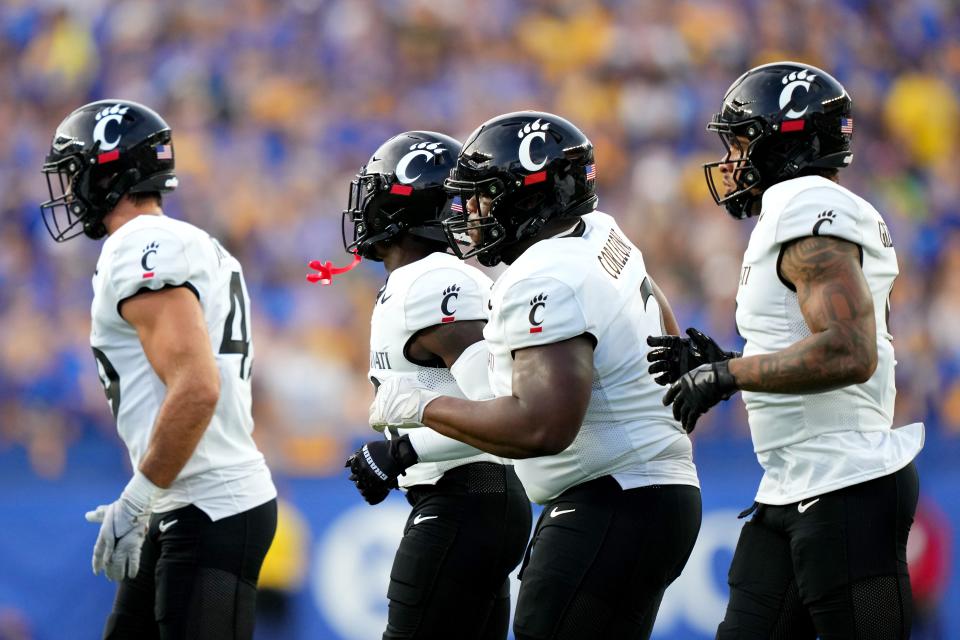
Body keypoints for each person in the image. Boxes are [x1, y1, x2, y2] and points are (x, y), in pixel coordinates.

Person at [369, 112, 702, 640]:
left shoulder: (545, 276)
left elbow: (541, 429)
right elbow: (663, 316)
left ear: (526, 197)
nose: (468, 213)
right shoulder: (597, 232)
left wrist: (421, 408)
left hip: (613, 497)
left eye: (482, 196)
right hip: (643, 490)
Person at [649, 61, 924, 639]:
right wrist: (724, 363)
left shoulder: (805, 208)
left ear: (786, 140)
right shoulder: (795, 212)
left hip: (845, 480)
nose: (730, 160)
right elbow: (804, 341)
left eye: (742, 141)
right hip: (796, 481)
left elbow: (850, 351)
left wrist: (729, 374)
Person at [41, 100, 277, 639]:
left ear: (109, 173)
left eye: (76, 172)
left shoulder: (140, 245)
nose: (69, 189)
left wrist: (139, 493)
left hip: (207, 504)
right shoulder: (189, 241)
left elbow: (197, 388)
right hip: (190, 497)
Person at [338, 131, 531, 639]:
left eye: (376, 193)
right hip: (476, 497)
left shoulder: (431, 282)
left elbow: (498, 406)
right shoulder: (424, 278)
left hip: (467, 496)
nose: (365, 208)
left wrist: (404, 450)